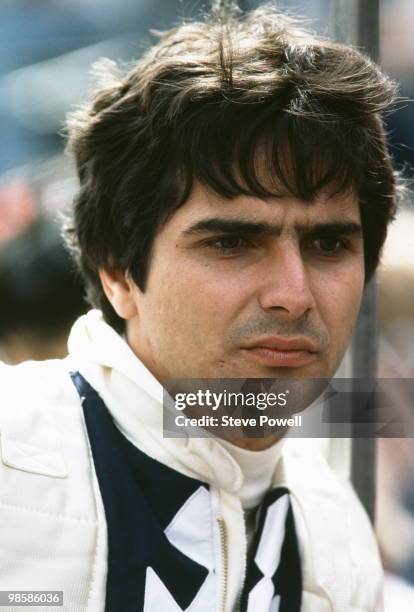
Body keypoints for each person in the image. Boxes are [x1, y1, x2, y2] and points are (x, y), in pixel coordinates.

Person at [0, 4, 401, 611]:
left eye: (328, 244)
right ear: (117, 271)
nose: (293, 295)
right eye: (232, 242)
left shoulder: (337, 530)